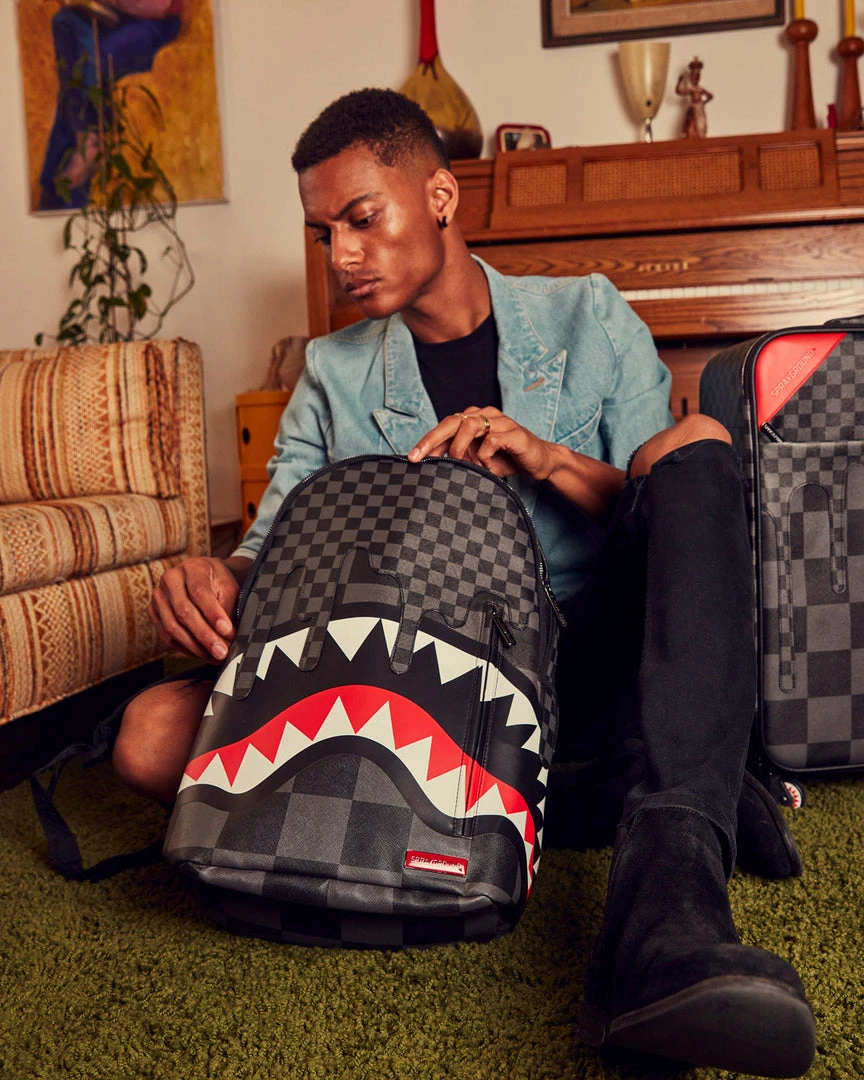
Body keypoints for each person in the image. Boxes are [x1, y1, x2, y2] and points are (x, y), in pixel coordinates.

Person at [113, 88, 816, 1076]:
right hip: (431, 680)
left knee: (695, 440)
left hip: (591, 649)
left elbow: (660, 510)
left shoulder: (585, 314)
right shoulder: (332, 371)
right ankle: (655, 771)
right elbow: (273, 543)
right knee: (149, 738)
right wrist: (215, 576)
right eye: (324, 233)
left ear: (440, 196)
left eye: (363, 218)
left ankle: (669, 899)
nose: (342, 255)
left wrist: (544, 456)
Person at [38, 0, 185, 210]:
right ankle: (79, 158)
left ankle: (61, 193)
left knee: (88, 63)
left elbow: (162, 6)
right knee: (65, 23)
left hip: (152, 23)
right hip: (108, 18)